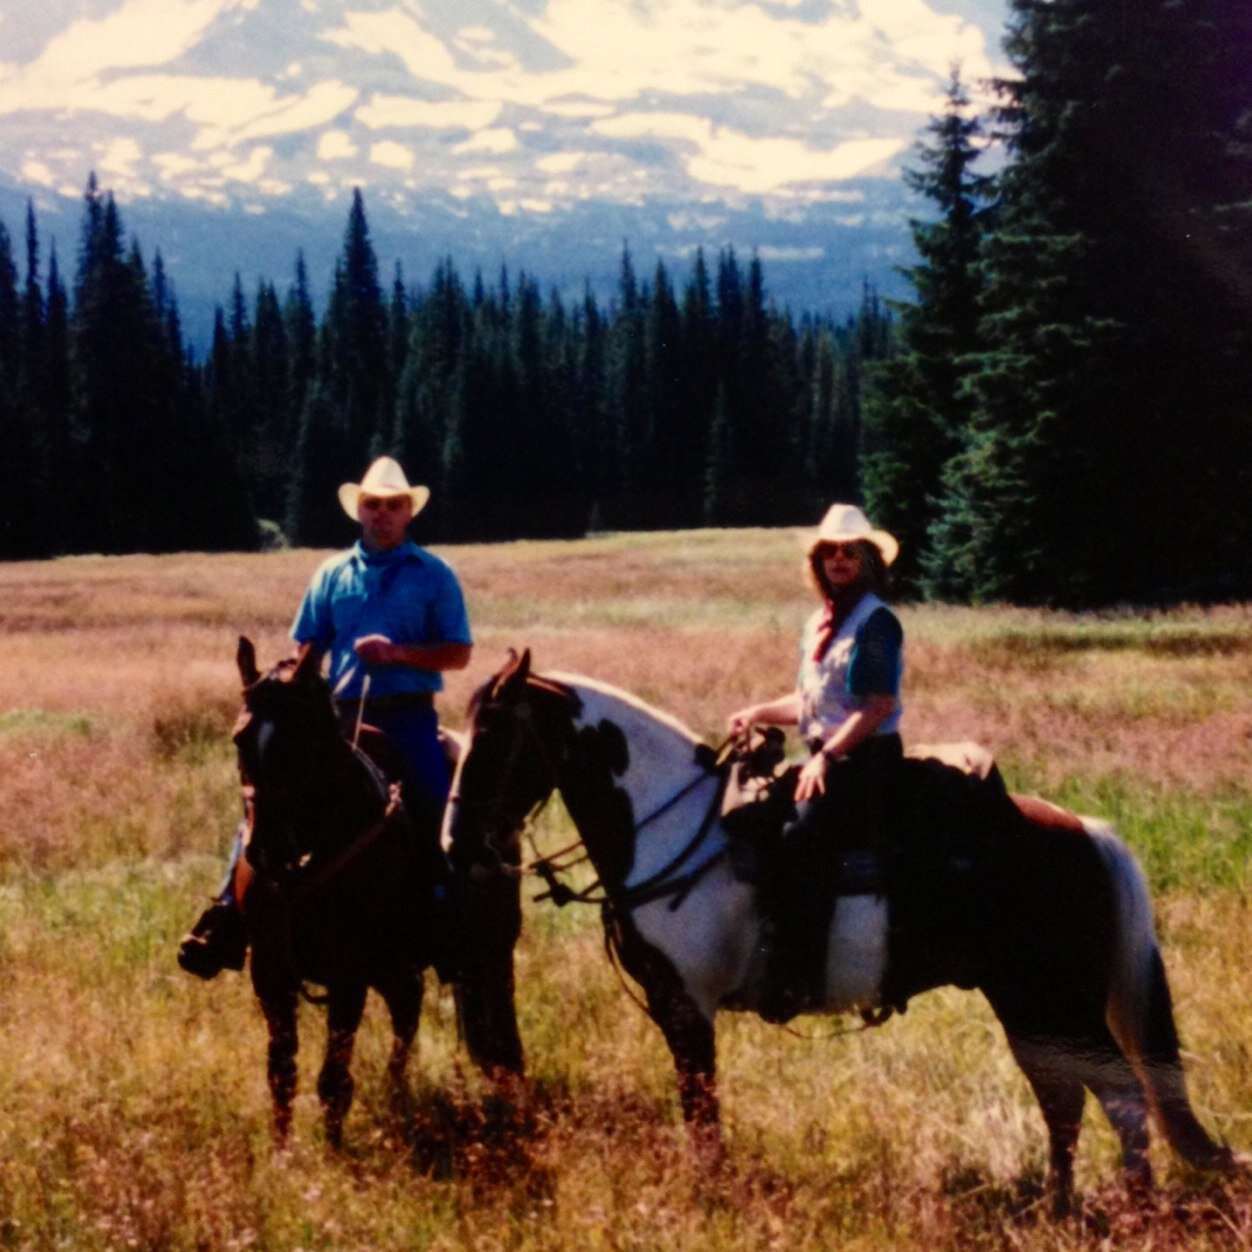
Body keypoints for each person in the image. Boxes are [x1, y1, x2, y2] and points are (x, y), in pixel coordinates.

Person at [178, 456, 473, 979]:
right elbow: (305, 646)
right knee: (266, 801)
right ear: (359, 512)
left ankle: (446, 918)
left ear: (409, 513)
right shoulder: (332, 574)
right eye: (373, 505)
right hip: (335, 718)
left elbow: (458, 654)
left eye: (393, 505)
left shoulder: (434, 575)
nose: (382, 513)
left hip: (407, 717)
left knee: (432, 801)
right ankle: (228, 913)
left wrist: (399, 654)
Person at [726, 502, 903, 1020]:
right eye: (831, 552)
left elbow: (877, 706)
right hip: (826, 756)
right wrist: (758, 710)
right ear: (819, 562)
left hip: (866, 761)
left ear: (868, 559)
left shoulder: (876, 622)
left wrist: (826, 758)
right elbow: (809, 704)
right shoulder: (819, 623)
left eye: (850, 552)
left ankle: (800, 977)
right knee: (752, 814)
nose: (840, 560)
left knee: (799, 838)